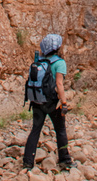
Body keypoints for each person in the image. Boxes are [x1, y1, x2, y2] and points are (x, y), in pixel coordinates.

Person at [23, 33, 73, 171]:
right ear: (57, 48)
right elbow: (59, 84)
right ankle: (65, 161)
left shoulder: (39, 61)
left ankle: (27, 162)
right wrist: (64, 103)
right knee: (60, 130)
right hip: (52, 103)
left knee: (35, 130)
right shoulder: (59, 63)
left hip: (37, 101)